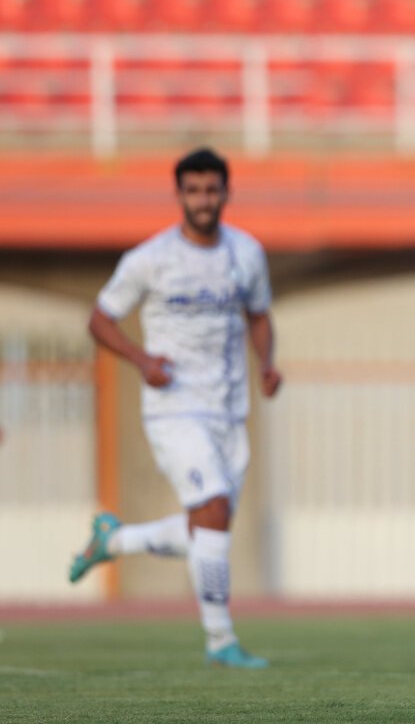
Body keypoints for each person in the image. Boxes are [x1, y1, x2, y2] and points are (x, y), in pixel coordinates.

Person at [69, 147, 281, 669]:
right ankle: (220, 640)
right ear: (179, 195)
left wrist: (267, 363)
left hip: (229, 409)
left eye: (211, 190)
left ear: (226, 193)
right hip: (174, 407)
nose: (203, 200)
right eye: (193, 191)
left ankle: (113, 540)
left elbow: (258, 315)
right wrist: (141, 360)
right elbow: (100, 319)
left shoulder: (246, 253)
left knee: (208, 528)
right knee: (212, 510)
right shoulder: (150, 258)